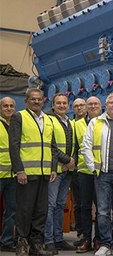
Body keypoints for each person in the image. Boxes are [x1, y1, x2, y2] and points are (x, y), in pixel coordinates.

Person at [81, 93, 113, 256]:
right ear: (106, 104)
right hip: (102, 174)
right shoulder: (96, 122)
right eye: (111, 103)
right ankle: (105, 244)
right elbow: (86, 146)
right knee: (102, 211)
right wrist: (93, 167)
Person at [9, 88, 57, 256]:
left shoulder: (49, 120)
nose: (36, 102)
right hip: (27, 174)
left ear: (43, 101)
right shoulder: (19, 117)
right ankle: (21, 243)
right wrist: (19, 170)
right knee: (25, 209)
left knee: (41, 210)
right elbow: (14, 146)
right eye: (33, 99)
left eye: (39, 99)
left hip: (44, 173)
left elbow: (52, 147)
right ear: (26, 100)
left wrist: (53, 168)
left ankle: (36, 244)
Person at [44, 93, 76, 254]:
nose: (62, 105)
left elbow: (75, 145)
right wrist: (67, 161)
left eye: (64, 103)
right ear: (53, 105)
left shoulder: (69, 122)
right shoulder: (49, 120)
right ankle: (48, 240)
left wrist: (72, 162)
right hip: (55, 171)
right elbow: (51, 145)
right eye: (59, 103)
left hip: (67, 171)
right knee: (50, 205)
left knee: (59, 205)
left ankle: (58, 238)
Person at [75, 96, 102, 253]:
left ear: (100, 106)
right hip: (84, 172)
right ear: (85, 106)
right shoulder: (77, 124)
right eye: (90, 104)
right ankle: (86, 239)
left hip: (100, 172)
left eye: (95, 104)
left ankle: (98, 239)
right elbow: (74, 147)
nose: (92, 106)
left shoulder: (105, 122)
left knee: (101, 207)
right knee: (84, 206)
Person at [0, 97, 16, 252]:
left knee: (11, 211)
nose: (9, 108)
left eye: (11, 106)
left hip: (12, 176)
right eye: (5, 106)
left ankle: (6, 241)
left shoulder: (16, 125)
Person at [70, 98, 87, 247]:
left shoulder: (95, 122)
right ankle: (82, 234)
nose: (79, 108)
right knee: (79, 204)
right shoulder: (72, 124)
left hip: (95, 170)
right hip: (77, 170)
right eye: (76, 106)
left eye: (82, 105)